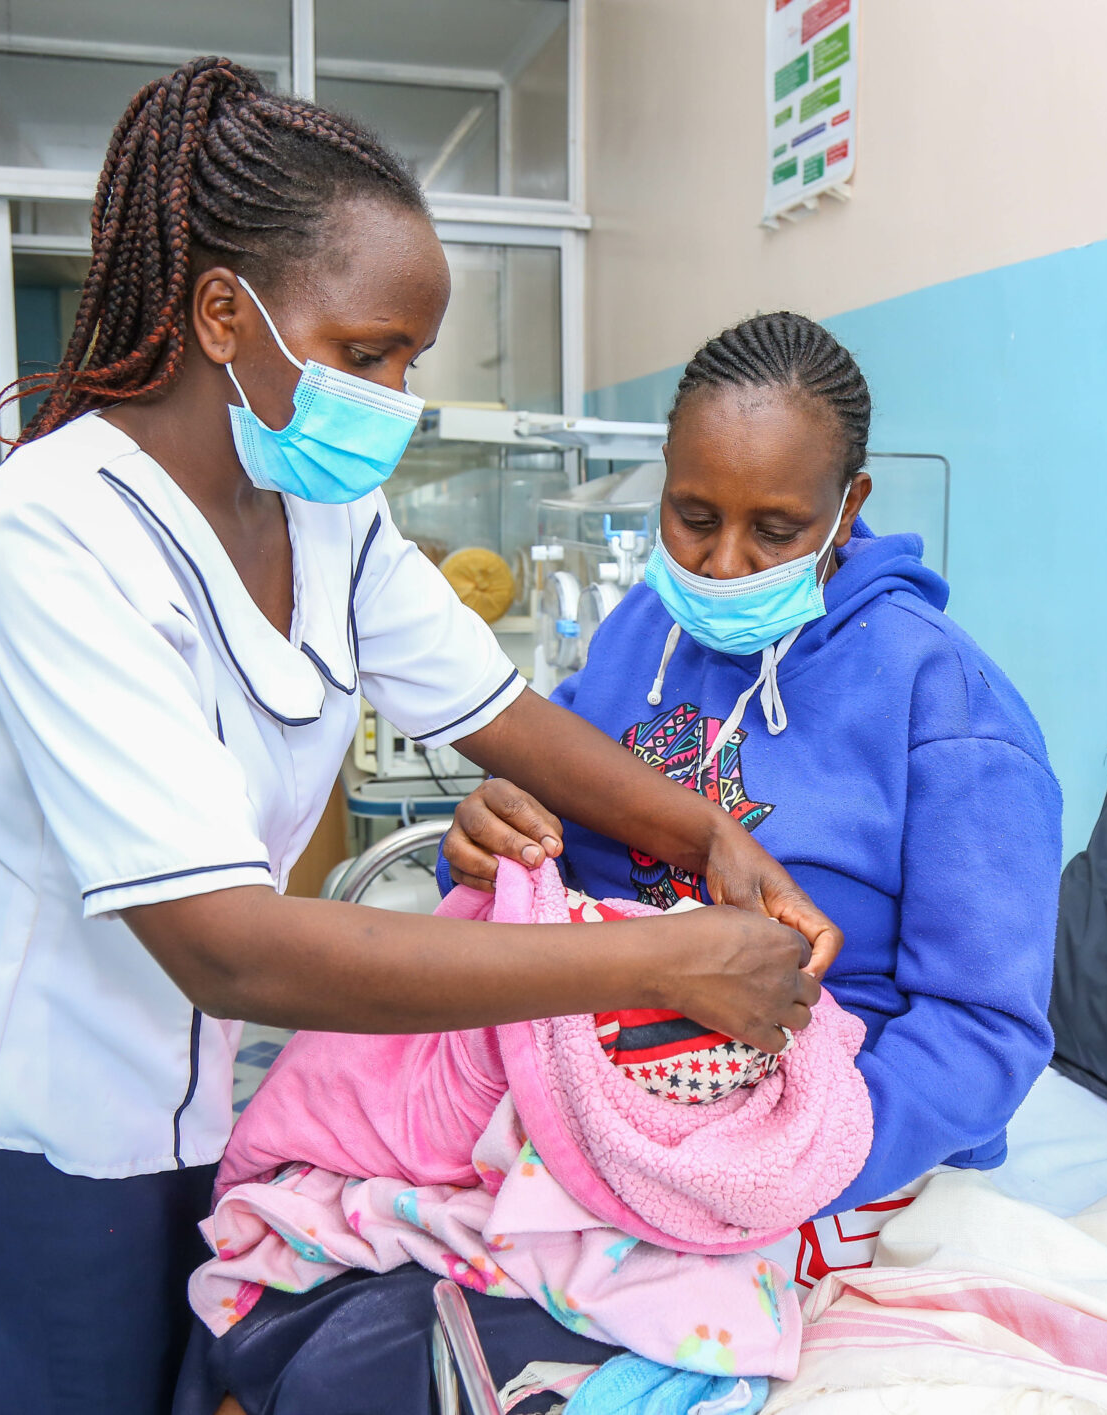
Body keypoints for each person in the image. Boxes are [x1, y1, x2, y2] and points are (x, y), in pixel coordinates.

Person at [0, 61, 837, 1415]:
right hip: (16, 1105)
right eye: (367, 354)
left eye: (409, 359)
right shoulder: (50, 538)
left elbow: (504, 715)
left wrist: (705, 832)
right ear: (225, 314)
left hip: (190, 1094)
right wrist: (665, 956)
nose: (396, 396)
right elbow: (227, 941)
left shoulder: (321, 519)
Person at [446, 312, 1063, 1228]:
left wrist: (778, 1164)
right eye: (694, 518)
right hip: (588, 1095)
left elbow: (984, 1031)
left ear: (848, 507)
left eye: (776, 530)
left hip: (818, 1149)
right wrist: (487, 835)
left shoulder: (947, 707)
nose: (724, 564)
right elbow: (545, 834)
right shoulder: (639, 635)